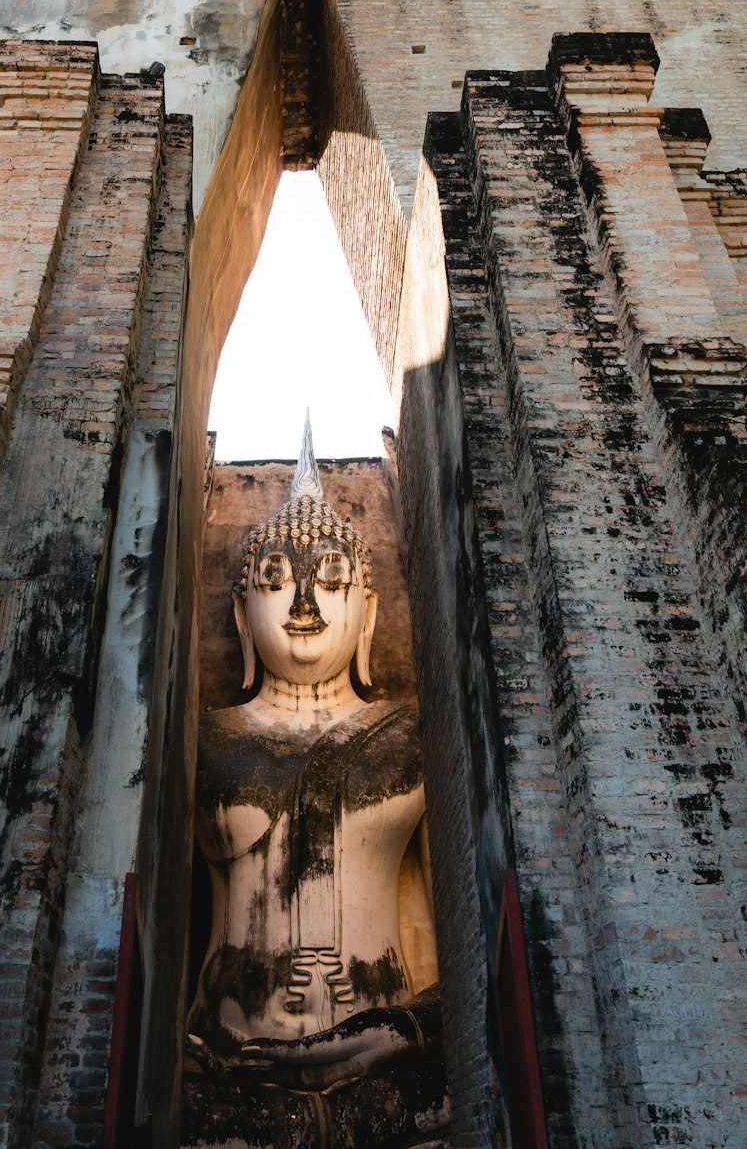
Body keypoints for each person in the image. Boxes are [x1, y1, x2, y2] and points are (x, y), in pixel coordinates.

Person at [182, 420, 450, 1149]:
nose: (304, 605)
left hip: (386, 1076)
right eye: (275, 583)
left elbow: (458, 945)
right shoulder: (203, 743)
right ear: (242, 614)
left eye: (332, 582)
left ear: (368, 615)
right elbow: (152, 932)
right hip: (229, 1068)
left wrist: (403, 1028)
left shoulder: (411, 740)